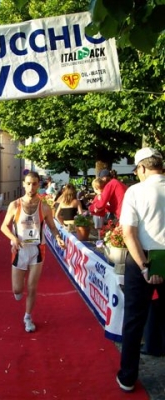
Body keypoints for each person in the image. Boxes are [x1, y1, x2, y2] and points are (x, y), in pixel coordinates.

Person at [116, 147, 165, 392]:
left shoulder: (136, 191)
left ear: (143, 168)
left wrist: (146, 267)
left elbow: (128, 233)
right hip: (161, 255)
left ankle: (127, 377)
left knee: (134, 320)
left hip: (143, 256)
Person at [0, 171, 65, 333]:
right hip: (20, 249)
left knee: (32, 287)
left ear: (38, 185)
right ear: (23, 184)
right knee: (17, 289)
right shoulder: (15, 205)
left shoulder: (44, 206)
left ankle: (28, 317)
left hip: (37, 249)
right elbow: (3, 227)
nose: (31, 187)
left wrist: (57, 238)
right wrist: (14, 239)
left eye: (34, 184)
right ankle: (18, 292)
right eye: (28, 183)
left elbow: (52, 227)